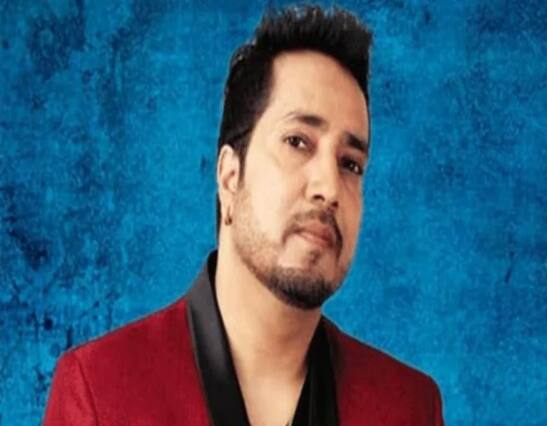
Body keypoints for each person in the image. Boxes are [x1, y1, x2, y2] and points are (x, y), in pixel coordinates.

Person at [44, 5, 444, 425]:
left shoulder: (409, 407)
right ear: (230, 177)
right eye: (297, 142)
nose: (329, 188)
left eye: (351, 164)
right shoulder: (99, 389)